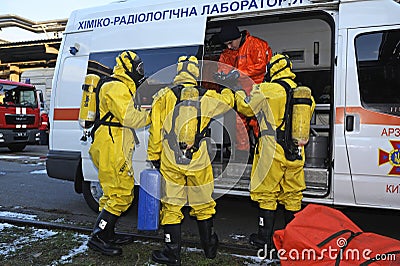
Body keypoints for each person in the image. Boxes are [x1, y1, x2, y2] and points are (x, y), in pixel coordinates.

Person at [147, 55, 235, 265]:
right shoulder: (206, 96)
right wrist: (228, 85)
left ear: (178, 71)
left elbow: (155, 131)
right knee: (203, 202)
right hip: (199, 156)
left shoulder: (162, 96)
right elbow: (229, 102)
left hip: (170, 155)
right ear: (196, 72)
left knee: (172, 205)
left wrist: (154, 156)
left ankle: (171, 253)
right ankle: (209, 249)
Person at [235, 54, 315, 251]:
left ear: (272, 70)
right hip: (296, 151)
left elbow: (246, 107)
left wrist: (237, 91)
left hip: (272, 150)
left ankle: (264, 239)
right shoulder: (304, 94)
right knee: (293, 195)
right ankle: (292, 239)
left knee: (267, 194)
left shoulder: (266, 89)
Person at [87, 50, 150, 256]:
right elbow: (130, 118)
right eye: (138, 68)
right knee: (121, 193)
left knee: (111, 194)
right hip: (111, 145)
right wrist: (154, 111)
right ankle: (98, 237)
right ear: (128, 68)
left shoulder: (120, 86)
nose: (141, 72)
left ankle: (107, 233)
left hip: (111, 143)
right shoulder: (116, 87)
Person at [218, 24, 273, 158]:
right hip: (239, 92)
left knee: (259, 123)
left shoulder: (256, 44)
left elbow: (262, 66)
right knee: (238, 123)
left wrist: (238, 73)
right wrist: (222, 75)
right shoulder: (227, 53)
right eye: (227, 44)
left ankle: (263, 152)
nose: (229, 47)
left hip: (257, 90)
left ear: (238, 37)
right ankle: (242, 154)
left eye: (230, 43)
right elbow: (222, 67)